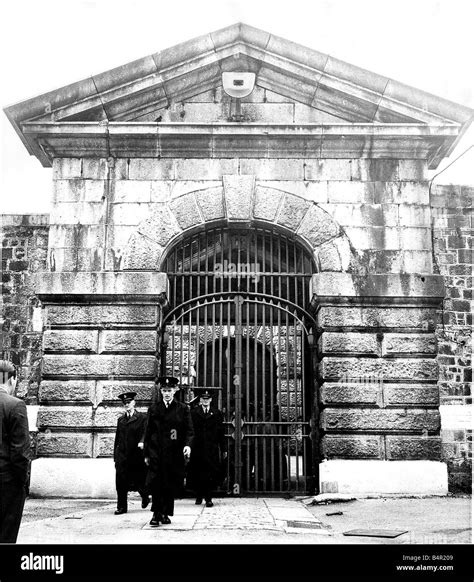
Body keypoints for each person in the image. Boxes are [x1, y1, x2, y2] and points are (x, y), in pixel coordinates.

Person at [143, 377, 194, 526]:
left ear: (175, 391)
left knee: (169, 483)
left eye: (169, 390)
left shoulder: (183, 409)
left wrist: (187, 445)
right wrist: (146, 453)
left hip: (173, 452)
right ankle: (156, 514)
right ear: (161, 391)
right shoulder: (154, 409)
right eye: (164, 390)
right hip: (156, 451)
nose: (167, 393)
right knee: (157, 482)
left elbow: (189, 431)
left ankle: (166, 513)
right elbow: (147, 431)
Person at [0, 360, 31, 543]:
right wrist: (23, 483)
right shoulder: (15, 405)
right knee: (6, 536)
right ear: (12, 380)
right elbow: (20, 452)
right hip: (7, 484)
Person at [187, 388, 227, 507]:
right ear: (200, 400)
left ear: (211, 399)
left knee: (210, 473)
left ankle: (208, 497)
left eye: (207, 399)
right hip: (197, 447)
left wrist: (223, 448)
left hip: (211, 448)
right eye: (203, 399)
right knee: (198, 472)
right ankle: (199, 495)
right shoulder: (194, 413)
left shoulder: (217, 413)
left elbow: (221, 432)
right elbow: (190, 431)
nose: (205, 401)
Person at [113, 391, 149, 515]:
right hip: (122, 455)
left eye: (129, 402)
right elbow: (117, 439)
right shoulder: (121, 420)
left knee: (138, 480)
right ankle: (121, 507)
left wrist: (142, 442)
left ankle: (145, 496)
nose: (127, 405)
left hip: (136, 455)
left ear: (134, 403)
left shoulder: (142, 418)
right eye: (125, 403)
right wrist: (116, 457)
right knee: (120, 482)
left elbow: (146, 433)